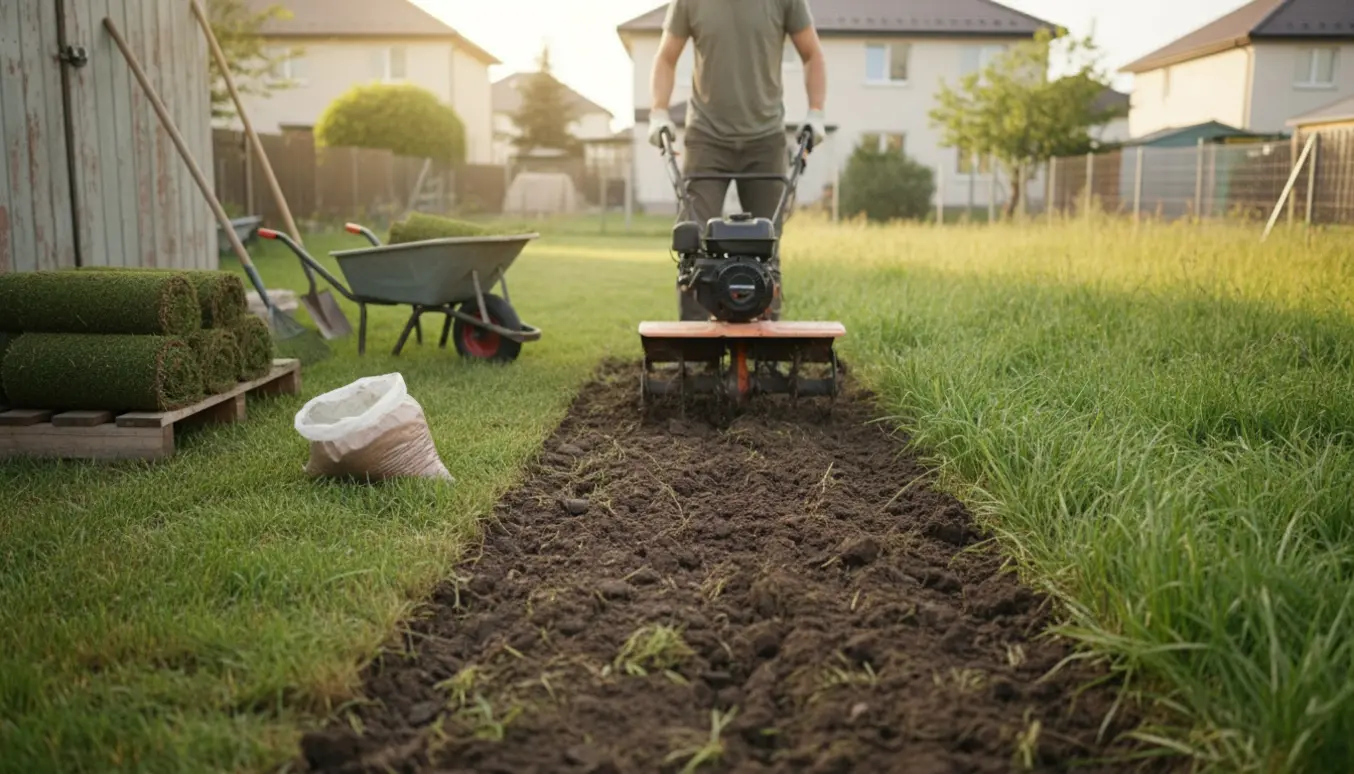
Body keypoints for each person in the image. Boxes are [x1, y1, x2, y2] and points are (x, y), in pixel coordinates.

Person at [647, 0, 827, 322]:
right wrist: (659, 111)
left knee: (767, 244)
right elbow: (666, 57)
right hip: (706, 137)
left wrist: (816, 112)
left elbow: (812, 53)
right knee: (693, 242)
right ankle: (697, 351)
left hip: (765, 140)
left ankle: (766, 350)